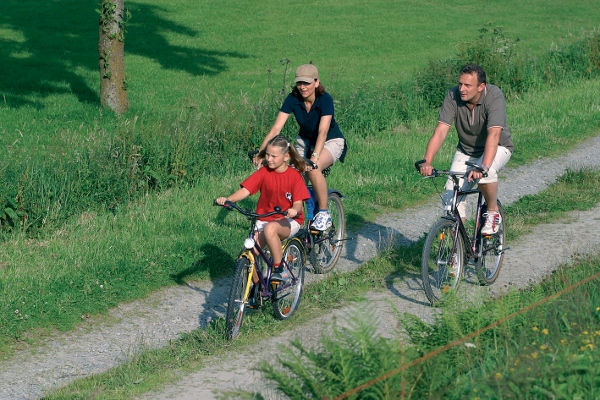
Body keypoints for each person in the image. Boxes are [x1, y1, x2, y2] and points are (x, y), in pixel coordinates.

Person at [419, 63, 514, 235]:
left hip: (497, 147)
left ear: (481, 87)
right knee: (451, 202)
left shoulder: (494, 96)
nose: (462, 89)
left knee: (488, 173)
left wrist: (483, 166)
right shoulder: (453, 95)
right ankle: (457, 249)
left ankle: (493, 212)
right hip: (466, 150)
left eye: (467, 85)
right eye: (460, 84)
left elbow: (493, 135)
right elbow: (440, 131)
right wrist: (427, 160)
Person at [255, 63, 347, 231]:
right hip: (304, 140)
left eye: (307, 83)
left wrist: (314, 157)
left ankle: (324, 213)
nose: (303, 87)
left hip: (330, 141)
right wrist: (262, 152)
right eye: (299, 83)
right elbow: (276, 128)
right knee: (291, 175)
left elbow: (323, 131)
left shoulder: (325, 99)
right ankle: (296, 219)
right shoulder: (293, 99)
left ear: (317, 82)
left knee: (313, 168)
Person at [216, 135, 310, 282]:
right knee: (249, 255)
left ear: (286, 156)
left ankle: (279, 269)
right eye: (267, 154)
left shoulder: (294, 176)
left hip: (289, 220)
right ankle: (256, 291)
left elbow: (298, 203)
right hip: (264, 218)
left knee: (270, 229)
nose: (269, 159)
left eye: (274, 156)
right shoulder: (264, 172)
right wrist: (228, 199)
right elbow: (245, 191)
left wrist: (294, 210)